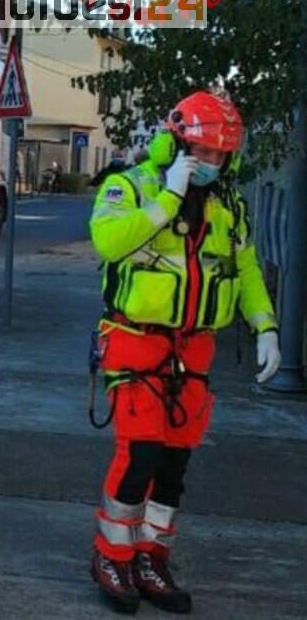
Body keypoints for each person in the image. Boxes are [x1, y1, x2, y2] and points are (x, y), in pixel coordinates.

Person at [86, 90, 280, 614]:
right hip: (135, 341)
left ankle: (151, 557)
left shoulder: (229, 207)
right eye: (201, 152)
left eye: (220, 155)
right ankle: (111, 556)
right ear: (175, 145)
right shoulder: (127, 187)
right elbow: (107, 243)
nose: (210, 163)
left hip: (194, 350)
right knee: (140, 453)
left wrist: (265, 326)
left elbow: (245, 271)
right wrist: (167, 199)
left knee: (174, 464)